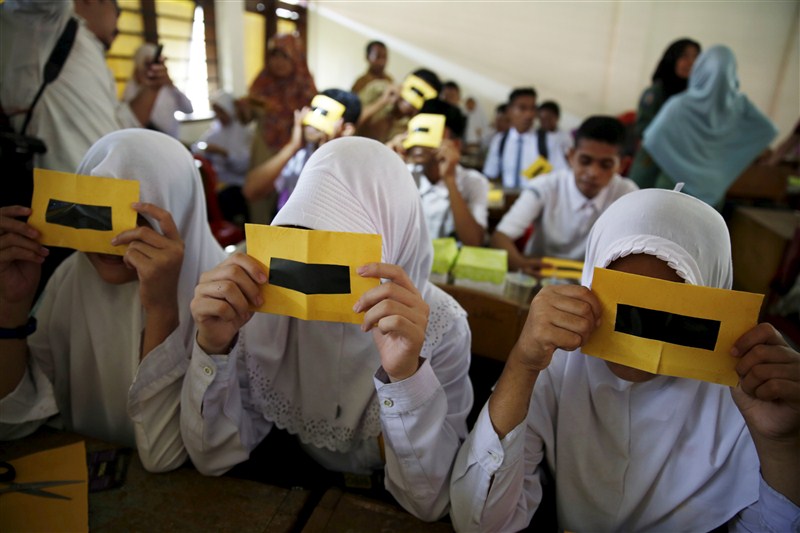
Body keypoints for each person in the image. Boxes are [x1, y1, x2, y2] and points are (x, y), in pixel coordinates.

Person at [450, 188, 800, 531]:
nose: (640, 337)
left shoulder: (749, 394)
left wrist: (781, 446)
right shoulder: (557, 363)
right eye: (622, 308)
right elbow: (479, 522)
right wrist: (522, 365)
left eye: (669, 316)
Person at [182, 137, 473, 521]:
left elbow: (429, 502)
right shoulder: (261, 306)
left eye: (340, 260)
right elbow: (213, 456)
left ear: (394, 235)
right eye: (302, 238)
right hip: (290, 487)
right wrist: (214, 347)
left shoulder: (442, 325)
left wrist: (406, 376)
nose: (315, 280)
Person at [0, 129, 227, 472]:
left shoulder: (223, 302)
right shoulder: (71, 279)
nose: (112, 241)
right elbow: (13, 423)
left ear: (178, 213)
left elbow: (163, 458)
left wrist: (162, 309)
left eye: (137, 224)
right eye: (94, 217)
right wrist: (11, 309)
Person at [0, 0, 170, 173]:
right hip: (62, 185)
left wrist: (152, 88)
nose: (118, 27)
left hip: (101, 184)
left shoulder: (88, 49)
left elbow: (121, 125)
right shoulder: (45, 18)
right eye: (118, 12)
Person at [490, 116, 638, 277]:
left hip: (591, 284)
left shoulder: (629, 196)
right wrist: (521, 265)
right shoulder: (545, 186)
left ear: (622, 165)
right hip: (540, 276)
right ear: (571, 156)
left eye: (606, 165)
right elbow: (500, 237)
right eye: (585, 161)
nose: (593, 172)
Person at [642, 45, 778, 208]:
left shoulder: (680, 105)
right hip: (711, 192)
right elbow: (767, 129)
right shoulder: (741, 107)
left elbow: (652, 139)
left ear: (700, 70)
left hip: (673, 185)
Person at [242, 88, 361, 211]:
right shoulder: (301, 156)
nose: (312, 121)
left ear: (347, 129)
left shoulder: (353, 167)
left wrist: (327, 153)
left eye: (324, 114)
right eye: (313, 109)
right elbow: (251, 191)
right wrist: (292, 147)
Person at [395, 99, 489, 246]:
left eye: (429, 132)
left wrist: (450, 179)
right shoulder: (404, 175)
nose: (419, 142)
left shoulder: (474, 181)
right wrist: (388, 163)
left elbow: (474, 241)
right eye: (416, 130)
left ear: (455, 144)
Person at [628, 38, 701, 188]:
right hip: (652, 157)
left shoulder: (698, 96)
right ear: (672, 59)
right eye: (684, 56)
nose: (691, 62)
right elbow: (642, 127)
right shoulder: (656, 92)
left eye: (695, 57)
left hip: (682, 160)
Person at [248, 34, 317, 166]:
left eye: (285, 56)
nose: (278, 62)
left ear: (296, 57)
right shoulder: (263, 82)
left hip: (298, 152)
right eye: (275, 56)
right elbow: (248, 114)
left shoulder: (304, 84)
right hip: (264, 149)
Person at [483, 87, 569, 188]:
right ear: (509, 111)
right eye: (522, 108)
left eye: (532, 109)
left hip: (538, 196)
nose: (529, 114)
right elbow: (491, 175)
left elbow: (561, 177)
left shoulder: (548, 141)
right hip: (508, 196)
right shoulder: (500, 141)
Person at [192, 91, 255, 225]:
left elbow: (244, 165)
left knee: (222, 200)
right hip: (219, 181)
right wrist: (206, 149)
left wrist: (224, 153)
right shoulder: (216, 130)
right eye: (216, 112)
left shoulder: (244, 131)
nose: (219, 116)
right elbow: (197, 147)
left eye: (222, 112)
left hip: (237, 183)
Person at [123, 42, 194, 139]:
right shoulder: (131, 91)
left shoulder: (167, 88)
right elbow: (130, 122)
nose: (152, 68)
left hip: (171, 140)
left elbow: (188, 109)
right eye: (147, 64)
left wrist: (171, 84)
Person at [356, 68, 441, 143]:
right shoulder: (377, 90)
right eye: (413, 89)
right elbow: (352, 120)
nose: (411, 100)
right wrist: (382, 101)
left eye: (422, 96)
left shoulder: (415, 127)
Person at [536, 100, 572, 169]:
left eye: (548, 118)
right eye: (542, 119)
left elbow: (569, 156)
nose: (545, 122)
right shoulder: (535, 136)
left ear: (557, 117)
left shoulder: (565, 137)